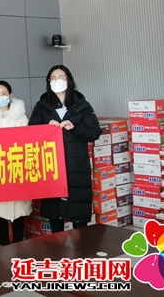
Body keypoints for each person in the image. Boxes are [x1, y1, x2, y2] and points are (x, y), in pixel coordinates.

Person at [28, 65, 101, 234]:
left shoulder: (81, 105)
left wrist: (75, 127)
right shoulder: (42, 106)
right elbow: (31, 132)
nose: (57, 81)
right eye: (53, 78)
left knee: (78, 212)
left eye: (61, 77)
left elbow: (94, 132)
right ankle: (57, 244)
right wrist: (46, 128)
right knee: (55, 211)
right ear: (48, 82)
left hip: (77, 164)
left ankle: (82, 246)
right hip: (52, 164)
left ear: (69, 80)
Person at [0, 80, 31, 246]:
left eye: (3, 93)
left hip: (17, 166)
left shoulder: (21, 116)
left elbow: (27, 141)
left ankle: (19, 242)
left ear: (10, 95)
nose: (0, 97)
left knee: (19, 207)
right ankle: (3, 242)